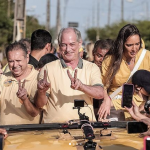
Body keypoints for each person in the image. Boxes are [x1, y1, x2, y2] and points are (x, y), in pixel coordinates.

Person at [35, 27, 104, 123]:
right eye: (64, 45)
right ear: (59, 46)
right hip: (54, 131)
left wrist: (82, 87)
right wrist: (41, 92)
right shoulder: (48, 69)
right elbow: (39, 104)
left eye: (72, 44)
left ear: (80, 43)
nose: (68, 49)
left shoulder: (91, 68)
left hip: (85, 128)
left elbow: (100, 93)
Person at [98, 24, 150, 120]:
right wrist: (106, 100)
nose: (134, 49)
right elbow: (103, 85)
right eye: (129, 45)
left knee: (138, 135)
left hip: (140, 109)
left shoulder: (147, 56)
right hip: (114, 108)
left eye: (137, 44)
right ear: (121, 44)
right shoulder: (110, 60)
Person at [0, 42, 40, 125]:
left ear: (27, 58)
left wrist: (25, 99)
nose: (15, 65)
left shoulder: (38, 78)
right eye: (11, 61)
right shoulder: (3, 77)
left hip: (28, 135)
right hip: (5, 134)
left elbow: (35, 113)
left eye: (18, 60)